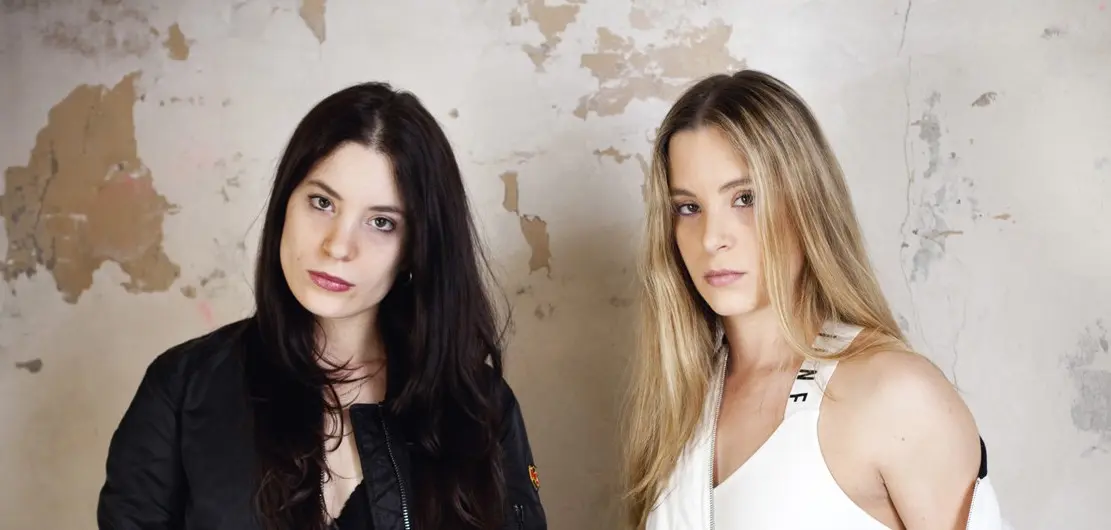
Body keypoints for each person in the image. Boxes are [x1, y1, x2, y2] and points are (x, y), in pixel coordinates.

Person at [96, 82, 547, 530]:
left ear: (416, 247)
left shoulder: (479, 406)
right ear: (285, 204)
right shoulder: (181, 389)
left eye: (381, 222)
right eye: (322, 202)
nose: (338, 246)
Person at [620, 70, 1008, 529]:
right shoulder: (681, 405)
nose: (712, 238)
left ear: (806, 202)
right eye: (689, 207)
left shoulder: (894, 395)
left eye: (745, 198)